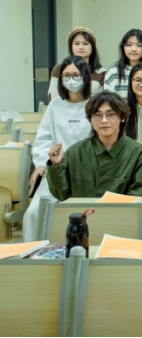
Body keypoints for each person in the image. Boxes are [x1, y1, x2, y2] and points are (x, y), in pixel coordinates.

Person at [24, 56, 93, 242]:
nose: (71, 80)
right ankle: (33, 254)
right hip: (56, 170)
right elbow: (43, 138)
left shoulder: (95, 104)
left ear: (86, 77)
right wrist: (42, 164)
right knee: (33, 213)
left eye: (76, 75)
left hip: (87, 172)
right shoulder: (55, 105)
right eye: (66, 76)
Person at [46, 91, 142, 200]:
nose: (104, 121)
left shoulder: (138, 154)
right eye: (97, 115)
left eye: (111, 114)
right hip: (81, 211)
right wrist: (56, 165)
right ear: (90, 119)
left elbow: (135, 197)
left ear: (122, 118)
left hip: (119, 211)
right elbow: (60, 194)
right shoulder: (75, 152)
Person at [48, 27, 105, 101]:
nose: (81, 47)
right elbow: (53, 96)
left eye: (85, 44)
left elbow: (103, 101)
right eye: (77, 44)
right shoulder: (59, 69)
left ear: (92, 47)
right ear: (71, 46)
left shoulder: (102, 73)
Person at [103, 29, 142, 99]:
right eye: (129, 45)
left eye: (139, 45)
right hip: (119, 106)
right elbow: (108, 98)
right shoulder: (114, 70)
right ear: (123, 47)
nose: (133, 49)